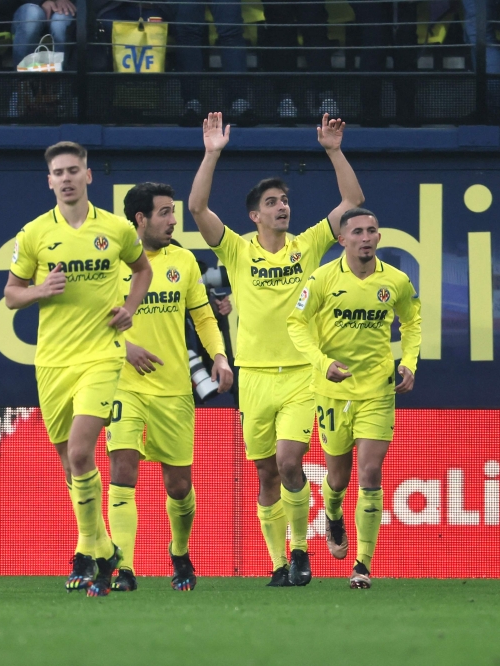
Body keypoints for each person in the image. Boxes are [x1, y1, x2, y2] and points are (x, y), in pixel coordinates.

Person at [187, 112, 364, 586]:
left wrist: (333, 150)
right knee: (266, 475)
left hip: (301, 374)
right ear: (255, 215)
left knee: (290, 461)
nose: (282, 207)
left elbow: (352, 201)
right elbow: (198, 209)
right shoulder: (238, 250)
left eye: (285, 200)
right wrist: (211, 153)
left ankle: (302, 551)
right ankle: (278, 563)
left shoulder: (305, 246)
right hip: (254, 377)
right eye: (272, 202)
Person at [4, 141, 152, 596]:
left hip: (101, 356)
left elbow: (142, 270)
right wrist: (40, 290)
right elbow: (11, 294)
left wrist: (130, 307)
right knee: (70, 467)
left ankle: (92, 553)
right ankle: (101, 548)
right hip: (52, 361)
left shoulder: (116, 228)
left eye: (74, 170)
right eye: (58, 172)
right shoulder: (33, 234)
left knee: (83, 454)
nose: (66, 178)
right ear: (49, 181)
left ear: (89, 176)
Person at [105, 183, 233, 592]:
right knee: (123, 471)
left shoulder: (184, 261)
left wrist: (218, 356)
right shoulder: (110, 262)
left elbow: (204, 317)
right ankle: (123, 566)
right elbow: (86, 319)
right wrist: (125, 348)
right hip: (123, 384)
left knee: (178, 486)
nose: (173, 220)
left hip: (174, 388)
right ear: (139, 219)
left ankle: (179, 552)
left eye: (173, 212)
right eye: (164, 212)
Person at [287, 207, 421, 589]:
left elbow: (412, 321)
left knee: (371, 473)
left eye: (372, 231)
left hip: (377, 389)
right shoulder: (323, 278)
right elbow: (296, 323)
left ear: (379, 237)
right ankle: (332, 511)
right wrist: (321, 362)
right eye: (357, 231)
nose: (366, 237)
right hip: (332, 391)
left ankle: (362, 564)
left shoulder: (395, 281)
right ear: (342, 239)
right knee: (338, 476)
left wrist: (409, 361)